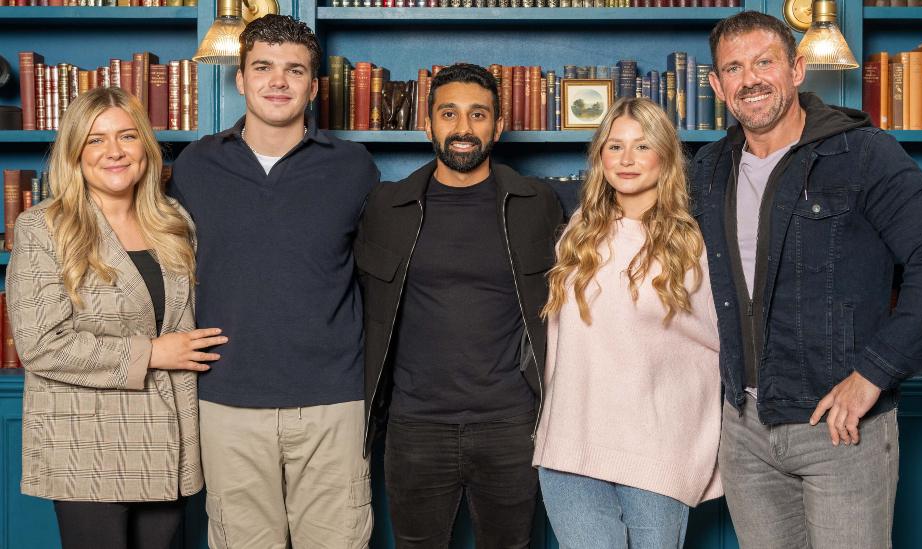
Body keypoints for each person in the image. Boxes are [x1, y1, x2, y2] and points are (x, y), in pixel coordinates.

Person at [691, 11, 922, 548]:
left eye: (764, 62)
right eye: (734, 67)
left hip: (841, 430)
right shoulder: (708, 170)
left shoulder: (863, 153)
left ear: (796, 69)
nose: (750, 78)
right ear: (717, 84)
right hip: (745, 431)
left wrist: (874, 372)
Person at [168, 15, 379, 549]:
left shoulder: (355, 167)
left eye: (294, 70)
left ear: (313, 85)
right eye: (262, 67)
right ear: (240, 79)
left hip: (334, 400)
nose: (277, 81)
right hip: (227, 399)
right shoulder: (195, 165)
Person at [356, 63, 563, 548]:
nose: (463, 128)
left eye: (478, 115)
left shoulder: (539, 202)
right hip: (415, 427)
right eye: (449, 114)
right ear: (428, 124)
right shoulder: (387, 207)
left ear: (499, 126)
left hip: (512, 425)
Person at [6, 86, 222, 549]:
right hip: (87, 442)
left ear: (145, 144)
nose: (114, 152)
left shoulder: (175, 222)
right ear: (75, 153)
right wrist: (153, 352)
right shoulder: (43, 226)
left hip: (171, 441)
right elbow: (40, 344)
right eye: (96, 140)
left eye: (126, 136)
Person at [531, 97, 723, 548]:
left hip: (656, 451)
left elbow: (719, 348)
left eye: (642, 146)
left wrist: (699, 447)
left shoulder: (692, 245)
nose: (627, 159)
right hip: (571, 448)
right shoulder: (579, 232)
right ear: (600, 156)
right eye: (615, 146)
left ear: (666, 155)